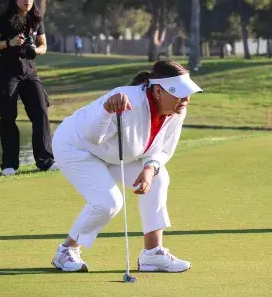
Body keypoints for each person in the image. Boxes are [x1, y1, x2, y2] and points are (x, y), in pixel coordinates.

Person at [51, 60, 203, 273]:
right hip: (76, 147)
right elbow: (93, 137)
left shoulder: (177, 109)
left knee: (158, 177)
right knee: (108, 203)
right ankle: (66, 251)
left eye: (187, 93)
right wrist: (106, 110)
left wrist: (150, 168)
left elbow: (164, 149)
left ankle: (152, 253)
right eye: (179, 93)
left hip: (114, 152)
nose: (186, 99)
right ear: (158, 91)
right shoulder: (125, 99)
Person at [0, 0, 59, 175]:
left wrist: (36, 50)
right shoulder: (4, 19)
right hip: (6, 71)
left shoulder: (35, 18)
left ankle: (45, 161)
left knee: (41, 111)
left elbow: (44, 46)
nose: (28, 0)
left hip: (29, 70)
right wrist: (9, 42)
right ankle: (9, 165)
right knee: (7, 117)